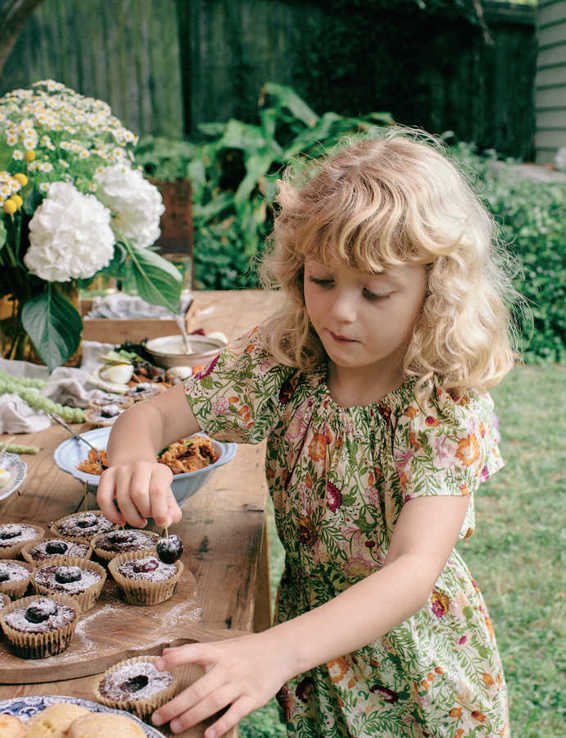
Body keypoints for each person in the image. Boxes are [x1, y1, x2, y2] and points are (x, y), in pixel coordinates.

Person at [97, 131, 518, 738]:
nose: (340, 312)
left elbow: (413, 568)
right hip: (314, 654)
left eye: (374, 291)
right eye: (323, 281)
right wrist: (134, 461)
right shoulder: (285, 358)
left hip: (418, 672)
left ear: (436, 292)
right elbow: (151, 416)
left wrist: (277, 651)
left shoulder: (440, 406)